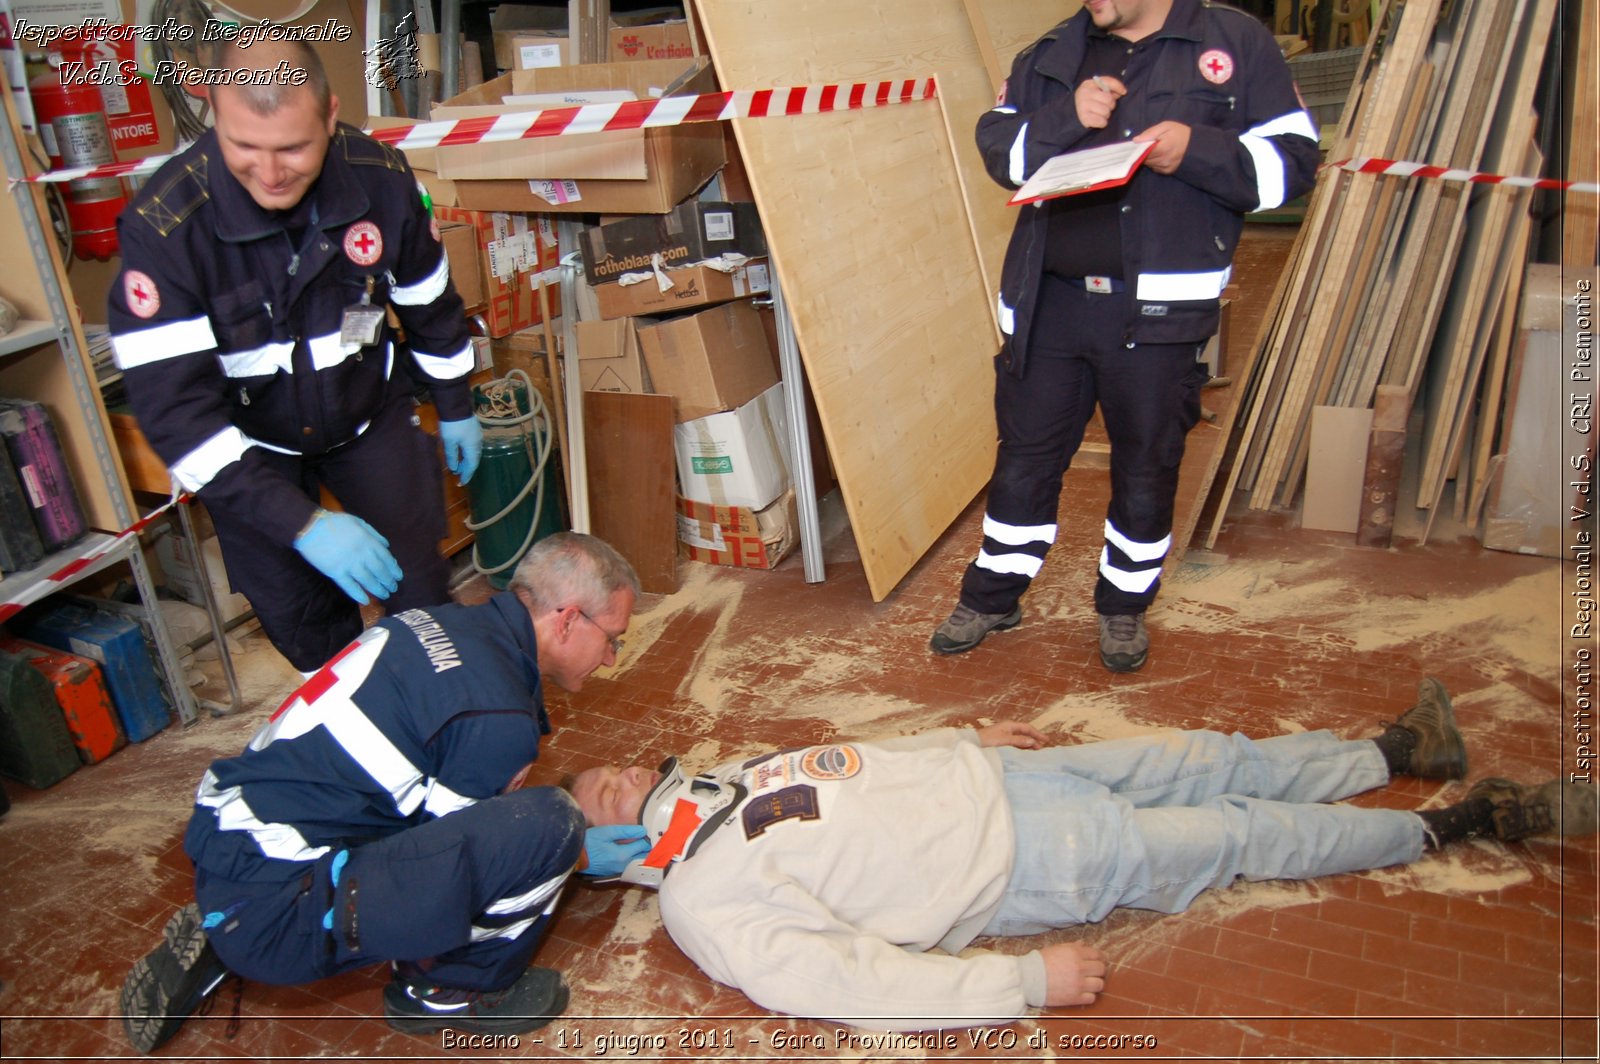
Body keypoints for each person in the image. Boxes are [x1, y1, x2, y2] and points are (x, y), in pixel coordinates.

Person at [566, 679, 1597, 1031]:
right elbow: (846, 980)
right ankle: (1461, 823)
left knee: (1208, 755)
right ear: (614, 857)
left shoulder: (717, 780)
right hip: (1027, 861)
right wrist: (1019, 979)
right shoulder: (705, 901)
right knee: (1237, 834)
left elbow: (849, 762)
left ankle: (1395, 749)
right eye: (593, 798)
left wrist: (960, 743)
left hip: (1013, 782)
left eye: (604, 771)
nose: (612, 775)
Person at [118, 533, 646, 1053]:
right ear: (569, 618)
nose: (610, 659)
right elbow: (446, 867)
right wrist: (570, 851)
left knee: (492, 817)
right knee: (548, 822)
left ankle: (227, 922)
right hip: (280, 900)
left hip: (231, 837)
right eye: (612, 638)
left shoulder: (441, 621)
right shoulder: (496, 717)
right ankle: (443, 991)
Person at [931, 0, 1321, 670]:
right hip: (1049, 303)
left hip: (1157, 314)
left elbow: (1294, 164)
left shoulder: (1233, 42)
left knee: (1146, 466)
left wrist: (1193, 151)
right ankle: (994, 596)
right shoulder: (1052, 51)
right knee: (1025, 461)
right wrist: (1064, 116)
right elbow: (1002, 150)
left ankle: (1123, 607)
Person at [107, 34, 484, 675]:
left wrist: (454, 402)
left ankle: (438, 718)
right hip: (249, 447)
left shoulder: (381, 181)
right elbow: (178, 416)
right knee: (299, 618)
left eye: (293, 148)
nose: (271, 172)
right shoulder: (167, 228)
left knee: (419, 589)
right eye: (244, 147)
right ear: (214, 114)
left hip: (365, 410)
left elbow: (428, 300)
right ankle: (349, 731)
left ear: (331, 116)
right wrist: (303, 525)